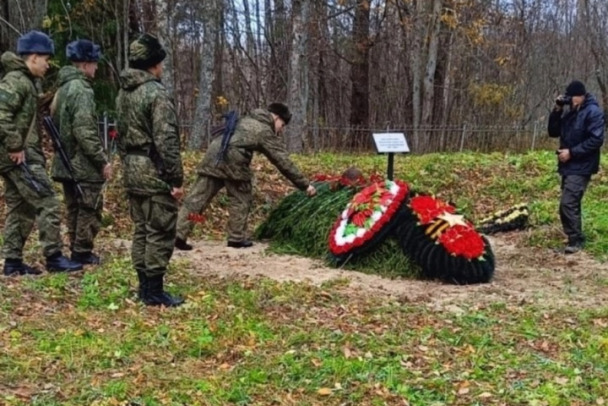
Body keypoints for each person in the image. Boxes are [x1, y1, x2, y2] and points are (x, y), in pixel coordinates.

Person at [174, 103, 316, 251]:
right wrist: (305, 185)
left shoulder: (246, 119)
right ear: (277, 117)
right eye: (282, 124)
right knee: (241, 197)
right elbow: (282, 160)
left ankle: (178, 235)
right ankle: (236, 237)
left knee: (196, 199)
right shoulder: (263, 130)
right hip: (233, 160)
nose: (281, 129)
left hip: (214, 154)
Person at [0, 31, 83, 275]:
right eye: (46, 59)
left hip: (16, 156)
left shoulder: (24, 82)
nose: (48, 65)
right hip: (18, 157)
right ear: (33, 57)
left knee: (21, 207)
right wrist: (15, 145)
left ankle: (13, 263)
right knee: (47, 201)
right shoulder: (16, 80)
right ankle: (54, 257)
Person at [115, 34, 185, 307]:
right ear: (154, 64)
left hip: (132, 168)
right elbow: (166, 139)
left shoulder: (124, 93)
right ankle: (154, 291)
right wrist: (175, 178)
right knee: (160, 230)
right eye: (161, 63)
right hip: (153, 169)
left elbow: (120, 134)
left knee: (142, 229)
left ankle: (144, 287)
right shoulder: (156, 93)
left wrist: (127, 162)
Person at [50, 39, 112, 265]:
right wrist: (101, 160)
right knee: (89, 207)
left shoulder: (63, 88)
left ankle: (77, 249)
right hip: (82, 163)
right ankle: (82, 251)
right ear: (85, 64)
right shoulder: (81, 90)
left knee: (74, 206)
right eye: (94, 63)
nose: (96, 67)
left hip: (65, 161)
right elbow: (84, 130)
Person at [548, 80, 604, 254]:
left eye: (571, 97)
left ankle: (576, 240)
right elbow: (553, 131)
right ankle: (573, 238)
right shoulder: (571, 112)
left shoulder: (593, 112)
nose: (569, 100)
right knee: (567, 203)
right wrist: (558, 109)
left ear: (580, 96)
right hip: (569, 165)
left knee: (568, 202)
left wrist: (572, 152)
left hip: (583, 164)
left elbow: (596, 140)